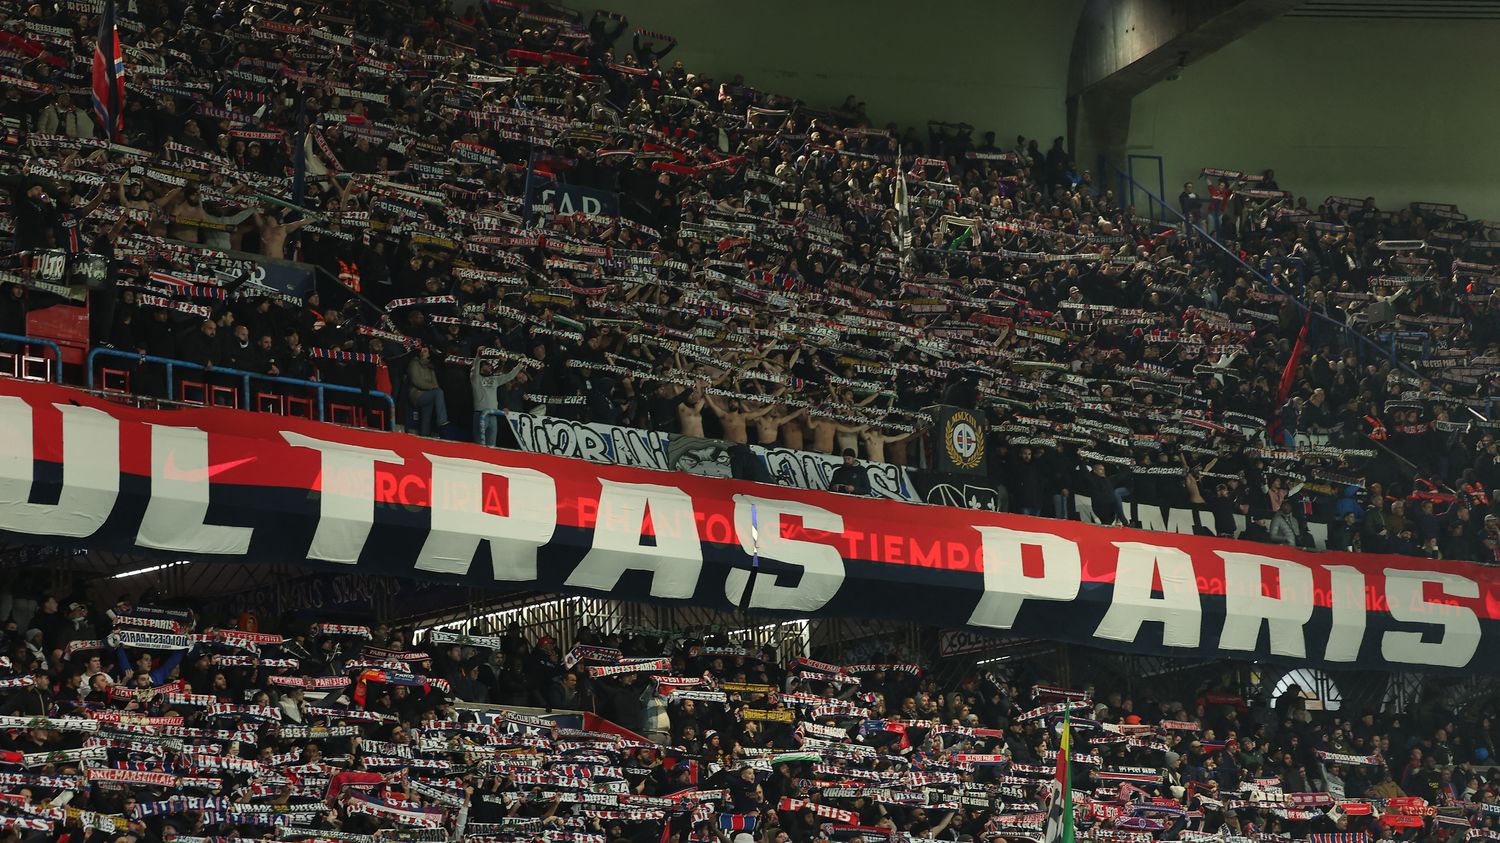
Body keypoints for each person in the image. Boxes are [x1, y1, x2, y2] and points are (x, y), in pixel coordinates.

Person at [407, 346, 448, 437]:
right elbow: (416, 380)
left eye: (425, 351)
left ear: (429, 354)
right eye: (422, 350)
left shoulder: (430, 367)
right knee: (439, 392)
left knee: (427, 418)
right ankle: (442, 422)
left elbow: (435, 384)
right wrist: (430, 387)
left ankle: (424, 437)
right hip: (416, 395)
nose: (423, 352)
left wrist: (432, 387)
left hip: (427, 395)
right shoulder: (414, 363)